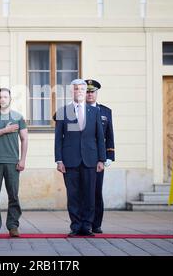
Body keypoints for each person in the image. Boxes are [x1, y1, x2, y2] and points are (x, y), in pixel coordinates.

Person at [55, 79, 106, 237]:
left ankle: (87, 226)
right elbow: (58, 138)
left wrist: (101, 159)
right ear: (72, 92)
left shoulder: (95, 112)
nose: (79, 92)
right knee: (73, 195)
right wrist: (59, 160)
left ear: (86, 92)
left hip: (91, 159)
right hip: (70, 160)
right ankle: (76, 226)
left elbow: (99, 136)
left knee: (90, 195)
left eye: (82, 89)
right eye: (76, 89)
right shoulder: (64, 111)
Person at [0, 88, 28, 238]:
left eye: (5, 97)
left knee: (13, 195)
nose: (2, 99)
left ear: (10, 99)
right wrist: (5, 130)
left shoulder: (18, 117)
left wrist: (22, 159)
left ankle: (13, 226)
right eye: (0, 97)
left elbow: (24, 139)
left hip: (12, 162)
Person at [85, 79, 115, 234]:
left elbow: (109, 134)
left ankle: (96, 223)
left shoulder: (105, 111)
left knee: (96, 191)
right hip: (83, 156)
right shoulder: (77, 110)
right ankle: (85, 223)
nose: (90, 94)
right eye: (87, 91)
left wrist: (109, 155)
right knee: (84, 192)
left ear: (97, 93)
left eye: (92, 92)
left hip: (98, 157)